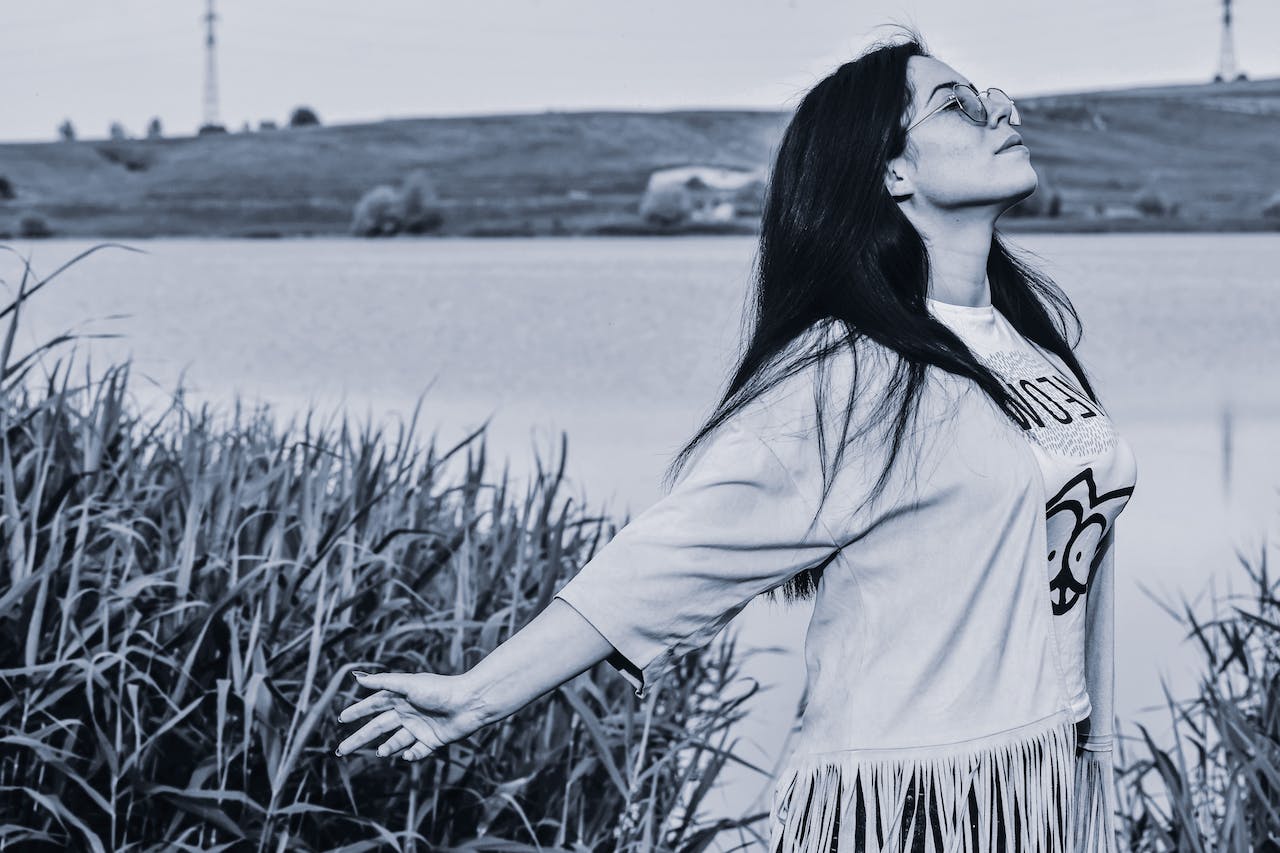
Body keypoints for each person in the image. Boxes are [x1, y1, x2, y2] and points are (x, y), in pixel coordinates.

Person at [335, 27, 1136, 853]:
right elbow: (672, 554)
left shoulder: (1027, 343)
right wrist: (478, 695)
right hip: (908, 802)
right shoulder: (848, 372)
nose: (1001, 111)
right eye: (958, 106)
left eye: (991, 96)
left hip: (1038, 773)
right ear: (892, 172)